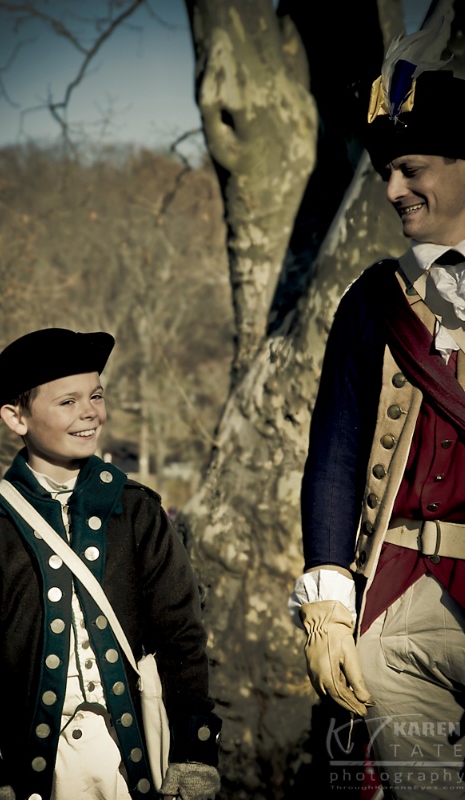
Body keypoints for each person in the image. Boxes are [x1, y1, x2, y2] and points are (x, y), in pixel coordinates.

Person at [289, 18, 465, 799]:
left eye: (411, 167)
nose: (392, 189)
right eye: (386, 171)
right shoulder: (372, 301)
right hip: (395, 608)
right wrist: (327, 603)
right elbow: (332, 456)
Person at [0, 328, 221, 800]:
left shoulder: (138, 511)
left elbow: (181, 633)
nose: (90, 411)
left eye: (96, 396)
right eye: (67, 402)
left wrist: (193, 752)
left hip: (131, 760)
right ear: (16, 417)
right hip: (30, 769)